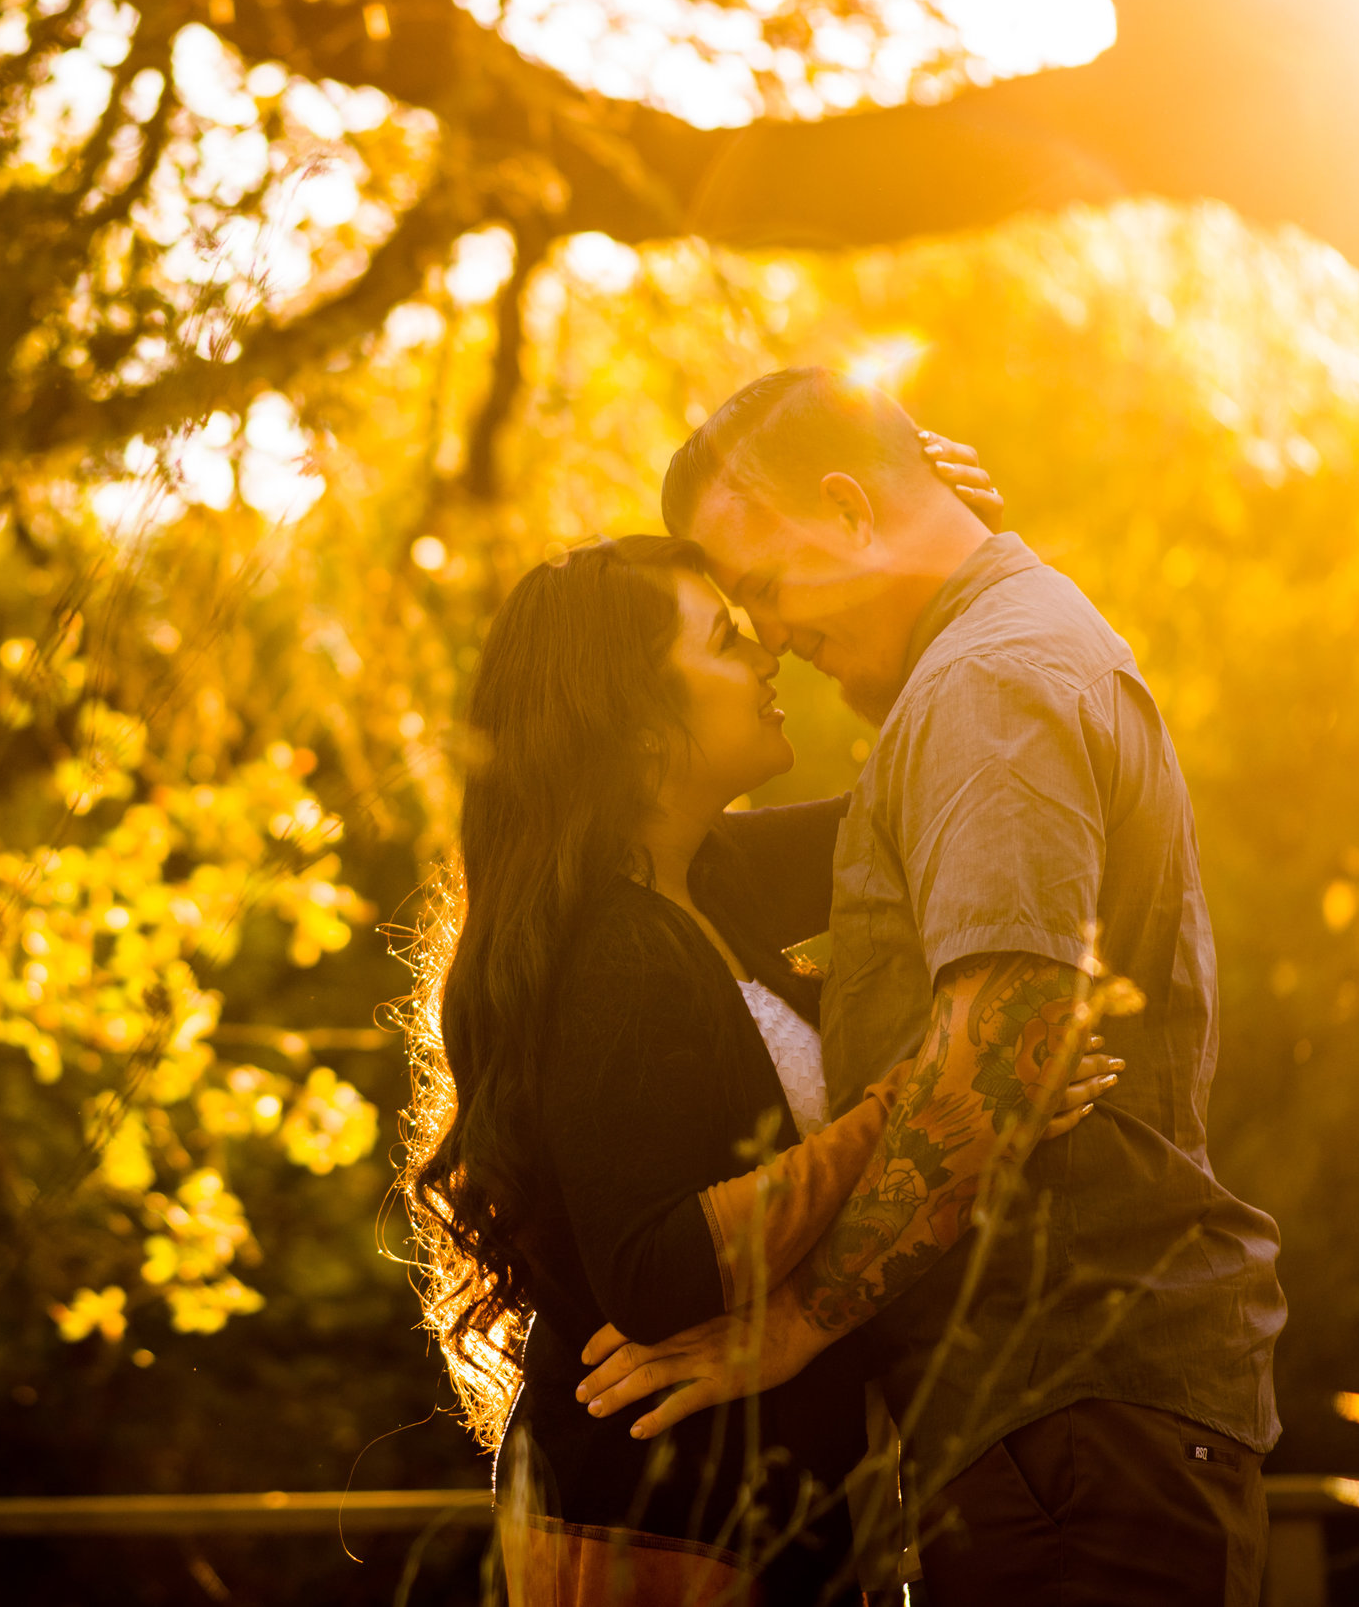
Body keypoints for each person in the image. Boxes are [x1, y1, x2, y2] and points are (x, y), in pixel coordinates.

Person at [576, 369, 1287, 1604]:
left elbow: (997, 1052)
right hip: (1051, 1426)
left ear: (851, 510)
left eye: (761, 588)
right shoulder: (991, 668)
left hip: (1069, 1419)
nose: (770, 636)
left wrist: (794, 1319)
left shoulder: (986, 688)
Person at [405, 507, 1120, 1601]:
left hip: (774, 1516)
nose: (768, 650)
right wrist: (931, 1092)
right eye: (726, 638)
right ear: (637, 719)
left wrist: (954, 536)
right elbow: (655, 1272)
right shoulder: (615, 954)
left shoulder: (711, 879)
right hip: (650, 1530)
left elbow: (935, 782)